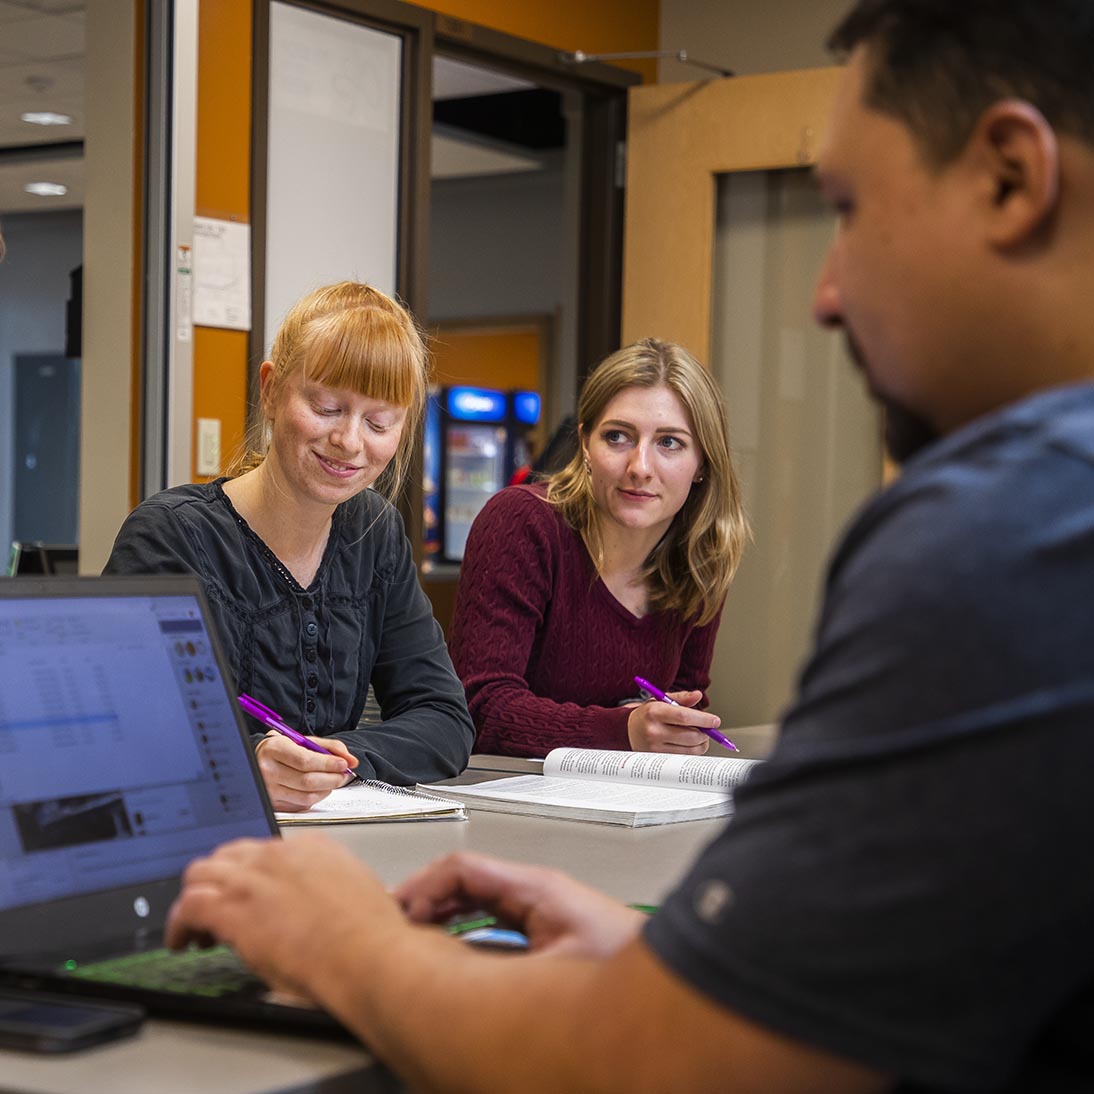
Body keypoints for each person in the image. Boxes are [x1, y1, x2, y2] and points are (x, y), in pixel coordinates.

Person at [165, 1, 1094, 1088]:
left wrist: (340, 938)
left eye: (849, 208)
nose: (826, 291)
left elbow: (666, 1058)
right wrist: (658, 957)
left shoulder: (1013, 533)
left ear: (1007, 177)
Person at [105, 282, 475, 810]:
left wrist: (333, 760)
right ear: (271, 390)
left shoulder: (377, 533)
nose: (349, 441)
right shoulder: (171, 536)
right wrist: (243, 761)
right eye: (327, 407)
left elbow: (443, 719)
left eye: (378, 422)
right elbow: (125, 729)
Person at [449, 339, 749, 757]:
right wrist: (624, 727)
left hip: (626, 800)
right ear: (585, 444)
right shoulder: (522, 522)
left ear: (702, 463)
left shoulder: (702, 554)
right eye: (618, 437)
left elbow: (685, 702)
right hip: (507, 798)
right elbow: (477, 709)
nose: (640, 468)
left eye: (670, 443)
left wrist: (676, 729)